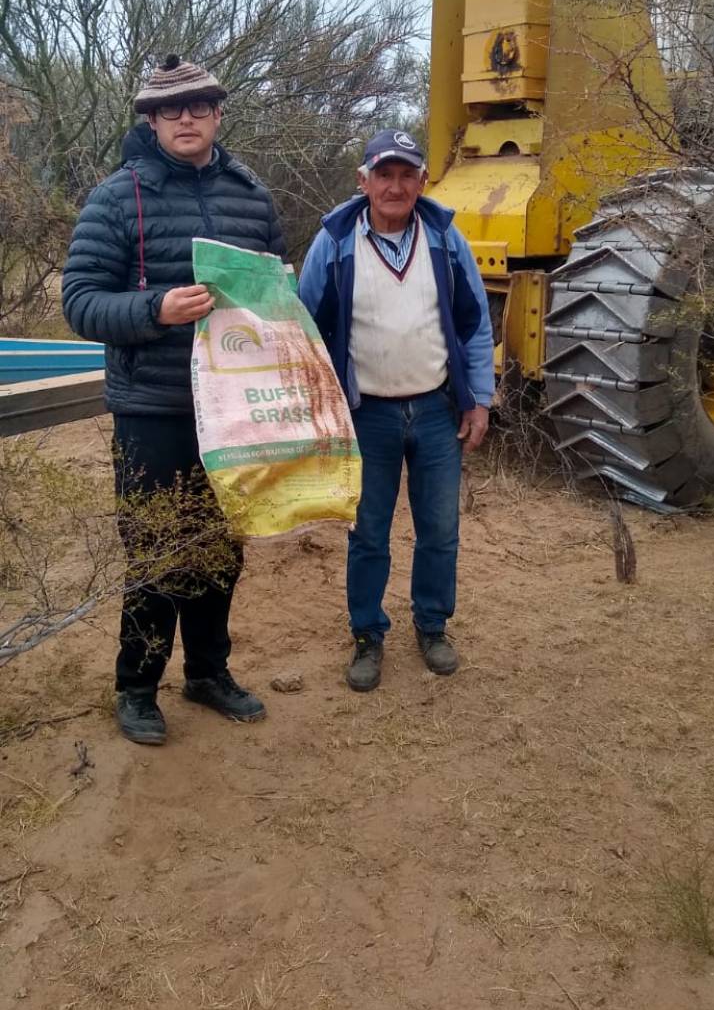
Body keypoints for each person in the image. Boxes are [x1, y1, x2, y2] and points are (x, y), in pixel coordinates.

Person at [62, 55, 288, 745]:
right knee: (157, 551)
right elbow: (79, 302)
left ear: (219, 113)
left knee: (223, 548)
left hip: (234, 405)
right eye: (170, 110)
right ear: (152, 120)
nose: (186, 118)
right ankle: (137, 687)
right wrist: (154, 308)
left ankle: (208, 672)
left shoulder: (253, 196)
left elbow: (276, 294)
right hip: (153, 407)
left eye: (199, 106)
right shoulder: (114, 197)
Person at [299, 129, 494, 691]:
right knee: (368, 533)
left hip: (436, 411)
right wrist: (317, 411)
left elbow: (475, 324)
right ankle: (368, 635)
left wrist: (479, 398)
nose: (395, 186)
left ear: (422, 183)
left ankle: (432, 626)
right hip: (367, 416)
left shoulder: (444, 237)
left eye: (407, 175)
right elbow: (306, 329)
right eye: (384, 174)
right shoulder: (334, 242)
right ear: (363, 181)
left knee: (440, 529)